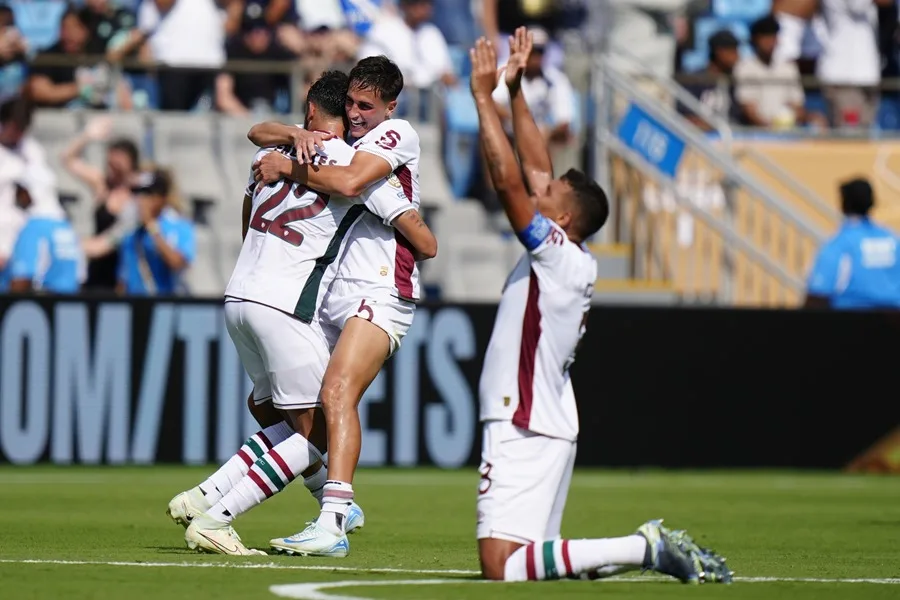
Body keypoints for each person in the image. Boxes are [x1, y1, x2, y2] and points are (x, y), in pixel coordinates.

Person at [469, 30, 732, 584]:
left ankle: (644, 547)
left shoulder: (554, 253)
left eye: (548, 199)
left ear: (562, 220)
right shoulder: (571, 255)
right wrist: (513, 91)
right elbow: (536, 169)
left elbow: (509, 181)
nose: (540, 192)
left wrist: (481, 99)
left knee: (501, 566)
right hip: (548, 418)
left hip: (523, 418)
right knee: (534, 562)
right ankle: (642, 551)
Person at [176, 70, 437, 556]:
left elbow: (258, 146)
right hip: (305, 301)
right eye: (352, 105)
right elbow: (420, 235)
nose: (356, 115)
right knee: (310, 419)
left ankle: (224, 502)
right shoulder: (344, 158)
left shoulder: (286, 155)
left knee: (306, 406)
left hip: (288, 292)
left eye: (366, 107)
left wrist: (288, 153)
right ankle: (236, 509)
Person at [61, 116, 141, 292]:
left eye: (118, 165)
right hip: (96, 274)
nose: (113, 169)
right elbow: (68, 159)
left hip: (121, 279)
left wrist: (67, 244)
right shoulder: (103, 185)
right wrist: (88, 135)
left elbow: (106, 244)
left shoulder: (137, 199)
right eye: (110, 163)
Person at [805, 177, 900, 309]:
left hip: (852, 317)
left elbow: (818, 294)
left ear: (844, 204)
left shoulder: (841, 244)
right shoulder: (893, 240)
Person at [4, 165, 81, 294]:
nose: (16, 195)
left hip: (41, 302)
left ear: (33, 190)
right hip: (68, 302)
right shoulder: (66, 227)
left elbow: (21, 279)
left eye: (21, 190)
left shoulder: (33, 228)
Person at [117, 169, 195, 295]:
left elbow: (177, 262)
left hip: (165, 302)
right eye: (138, 193)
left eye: (148, 193)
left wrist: (151, 226)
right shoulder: (130, 232)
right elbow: (123, 279)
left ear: (162, 197)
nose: (141, 199)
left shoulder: (179, 225)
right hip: (134, 303)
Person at [735, 16, 809, 129]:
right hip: (757, 132)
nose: (770, 42)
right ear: (755, 40)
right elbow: (749, 109)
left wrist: (792, 120)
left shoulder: (789, 68)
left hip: (788, 131)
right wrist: (770, 127)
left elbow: (797, 105)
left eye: (773, 37)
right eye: (766, 38)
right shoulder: (744, 68)